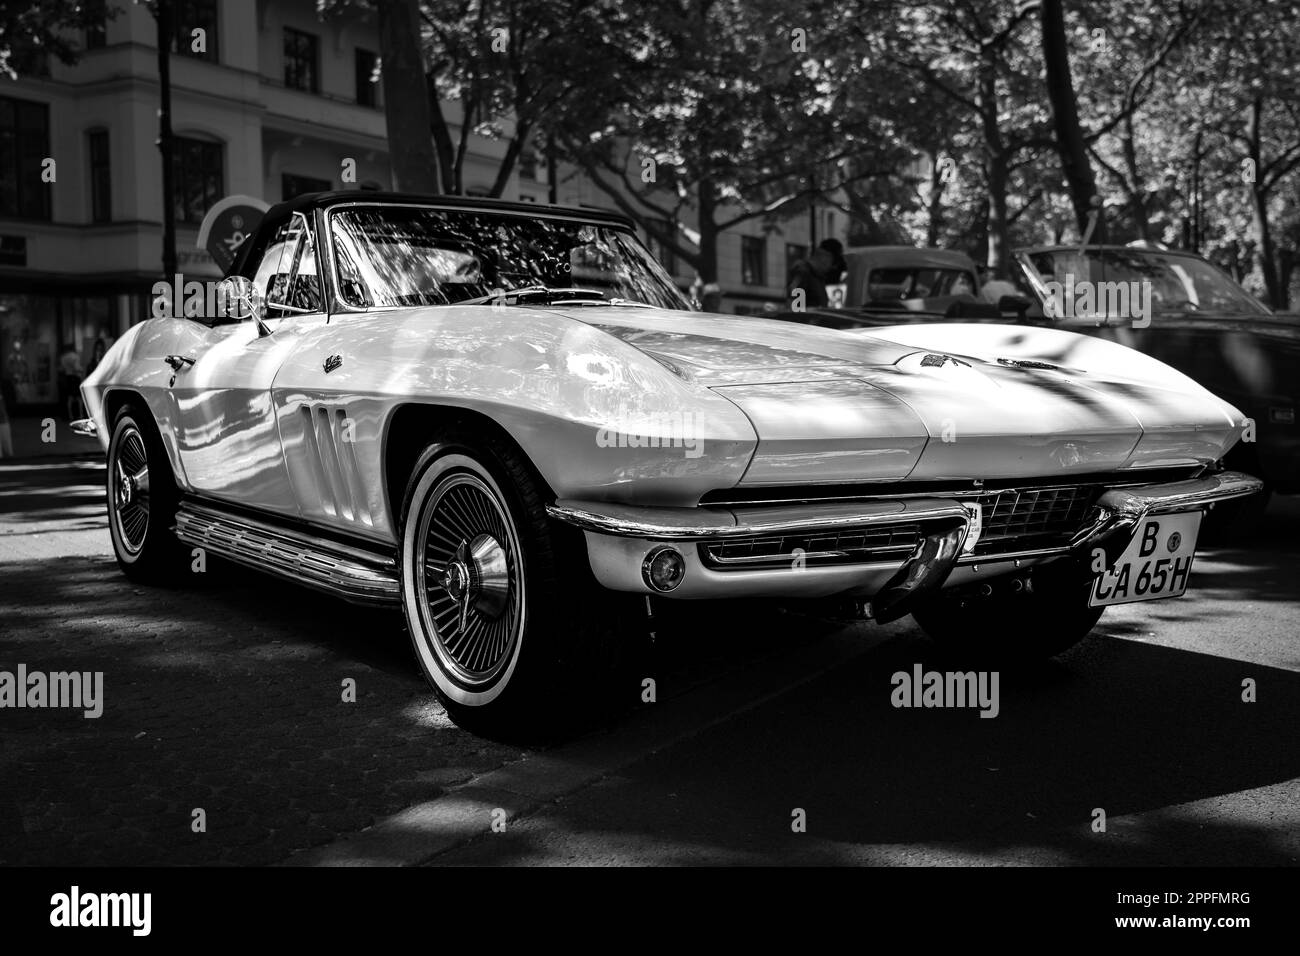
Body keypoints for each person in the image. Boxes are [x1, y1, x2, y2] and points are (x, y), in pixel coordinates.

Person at [787, 238, 846, 309]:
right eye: (833, 263)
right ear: (825, 257)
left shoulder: (817, 277)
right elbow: (794, 307)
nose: (831, 268)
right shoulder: (803, 272)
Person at [58, 344, 83, 421]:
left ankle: (70, 415)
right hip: (75, 377)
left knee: (70, 398)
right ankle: (80, 414)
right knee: (79, 398)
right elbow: (76, 368)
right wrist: (81, 370)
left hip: (68, 377)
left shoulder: (63, 358)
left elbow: (62, 368)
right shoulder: (75, 356)